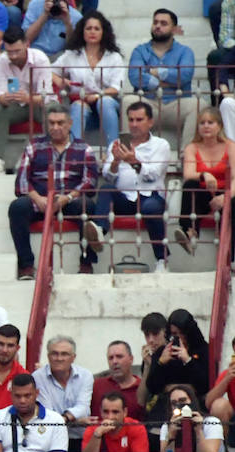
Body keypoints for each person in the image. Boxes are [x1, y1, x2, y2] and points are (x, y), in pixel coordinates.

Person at [9, 104, 98, 281]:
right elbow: (21, 182)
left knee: (86, 206)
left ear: (70, 124)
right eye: (51, 123)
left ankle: (86, 263)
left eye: (60, 123)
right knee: (17, 207)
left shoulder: (84, 149)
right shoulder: (34, 146)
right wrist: (38, 199)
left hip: (69, 199)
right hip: (40, 200)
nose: (55, 127)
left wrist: (68, 197)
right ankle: (26, 265)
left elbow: (90, 181)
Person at [81, 101, 172, 274]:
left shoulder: (161, 145)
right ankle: (99, 231)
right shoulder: (116, 144)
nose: (134, 124)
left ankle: (162, 259)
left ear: (150, 122)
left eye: (139, 120)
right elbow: (108, 175)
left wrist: (133, 161)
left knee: (150, 207)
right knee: (106, 189)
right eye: (131, 120)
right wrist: (115, 161)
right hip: (125, 197)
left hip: (150, 196)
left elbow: (153, 173)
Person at [124, 9, 196, 149]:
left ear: (174, 29)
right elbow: (135, 77)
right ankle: (127, 151)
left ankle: (186, 157)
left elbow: (185, 76)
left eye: (163, 23)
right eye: (155, 22)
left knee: (197, 105)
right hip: (148, 104)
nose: (158, 26)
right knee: (128, 101)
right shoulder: (140, 50)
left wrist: (155, 72)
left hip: (176, 104)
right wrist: (164, 80)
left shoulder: (185, 51)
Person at [52, 11, 124, 148]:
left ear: (103, 32)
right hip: (81, 106)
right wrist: (61, 81)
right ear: (82, 32)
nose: (92, 32)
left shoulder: (114, 57)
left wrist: (97, 96)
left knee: (105, 101)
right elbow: (48, 70)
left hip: (107, 110)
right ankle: (75, 154)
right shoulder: (72, 55)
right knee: (79, 106)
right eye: (88, 28)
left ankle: (113, 151)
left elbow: (116, 88)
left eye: (97, 28)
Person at [0, 26, 51, 174]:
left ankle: (49, 158)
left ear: (27, 45)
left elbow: (46, 94)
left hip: (38, 104)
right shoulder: (2, 60)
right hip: (16, 105)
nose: (13, 56)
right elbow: (0, 93)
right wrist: (4, 98)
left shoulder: (40, 59)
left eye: (17, 51)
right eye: (9, 52)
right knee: (0, 110)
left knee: (52, 110)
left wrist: (28, 98)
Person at [173, 108, 232, 257]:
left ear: (219, 126)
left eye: (210, 122)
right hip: (204, 193)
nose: (205, 126)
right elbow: (188, 174)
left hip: (226, 193)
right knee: (190, 186)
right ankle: (189, 233)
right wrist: (204, 174)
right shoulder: (192, 148)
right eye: (202, 123)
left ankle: (231, 258)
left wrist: (226, 197)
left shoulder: (230, 146)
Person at [140, 308, 210, 427]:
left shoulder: (203, 350)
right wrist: (160, 363)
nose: (179, 338)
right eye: (174, 335)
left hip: (195, 402)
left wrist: (188, 360)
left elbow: (204, 384)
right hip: (166, 404)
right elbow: (153, 386)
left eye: (180, 333)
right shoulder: (165, 350)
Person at [32, 334, 93, 449]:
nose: (59, 358)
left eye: (64, 354)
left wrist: (63, 419)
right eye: (54, 353)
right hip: (50, 439)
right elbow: (47, 413)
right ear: (48, 356)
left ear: (73, 357)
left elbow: (83, 408)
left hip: (80, 438)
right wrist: (75, 420)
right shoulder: (37, 377)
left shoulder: (85, 375)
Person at [0, 372, 68, 452]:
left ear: (37, 393)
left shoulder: (56, 420)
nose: (22, 401)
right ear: (10, 394)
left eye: (27, 396)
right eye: (17, 396)